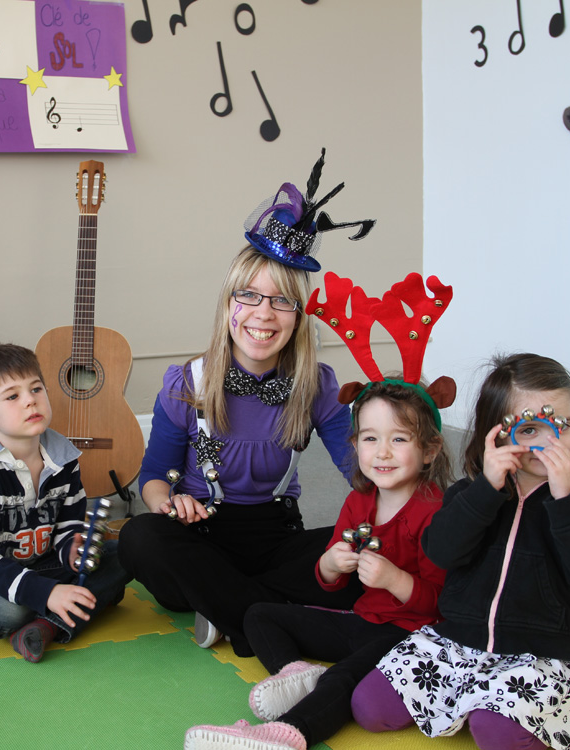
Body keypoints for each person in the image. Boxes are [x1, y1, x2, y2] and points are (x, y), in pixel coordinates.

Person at [185, 272, 458, 750]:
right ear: (356, 445)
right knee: (260, 616)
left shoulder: (436, 511)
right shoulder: (360, 501)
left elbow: (445, 602)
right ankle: (293, 673)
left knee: (348, 679)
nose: (383, 453)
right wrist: (331, 565)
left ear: (430, 449)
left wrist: (395, 580)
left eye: (399, 440)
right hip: (362, 618)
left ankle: (286, 734)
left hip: (412, 635)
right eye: (370, 439)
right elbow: (329, 576)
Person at [119, 150, 376, 656]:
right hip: (198, 541)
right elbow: (153, 477)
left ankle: (231, 612)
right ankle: (271, 620)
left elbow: (360, 473)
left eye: (282, 300)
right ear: (228, 305)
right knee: (138, 539)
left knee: (372, 555)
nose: (265, 314)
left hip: (277, 538)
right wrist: (168, 503)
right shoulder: (184, 382)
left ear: (299, 316)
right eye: (249, 297)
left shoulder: (318, 384)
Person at [351, 353, 570, 750]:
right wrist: (486, 491)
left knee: (496, 734)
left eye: (561, 426)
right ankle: (473, 703)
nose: (548, 442)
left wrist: (566, 501)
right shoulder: (471, 493)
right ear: (494, 433)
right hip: (456, 644)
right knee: (369, 706)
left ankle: (492, 711)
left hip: (537, 660)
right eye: (529, 428)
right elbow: (441, 553)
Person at [0, 343, 131, 663]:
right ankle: (72, 603)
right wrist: (48, 593)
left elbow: (68, 526)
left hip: (40, 563)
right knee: (9, 611)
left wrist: (74, 549)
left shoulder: (64, 456)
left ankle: (46, 626)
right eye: (12, 396)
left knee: (124, 552)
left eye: (36, 388)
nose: (30, 400)